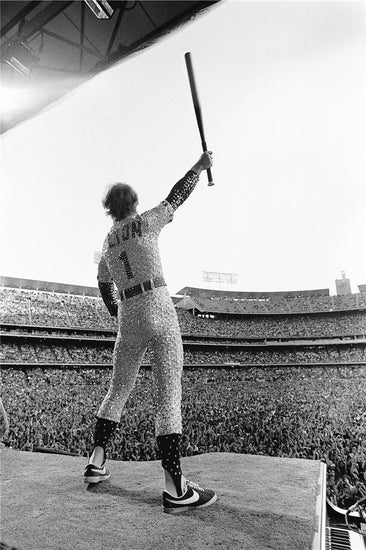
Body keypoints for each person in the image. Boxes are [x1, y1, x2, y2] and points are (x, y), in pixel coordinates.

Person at [84, 151, 217, 514]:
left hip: (129, 315)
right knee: (167, 395)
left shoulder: (109, 244)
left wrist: (118, 313)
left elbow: (102, 283)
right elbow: (177, 196)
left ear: (109, 210)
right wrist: (199, 167)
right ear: (134, 203)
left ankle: (96, 462)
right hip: (158, 305)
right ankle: (176, 488)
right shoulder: (145, 222)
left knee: (118, 390)